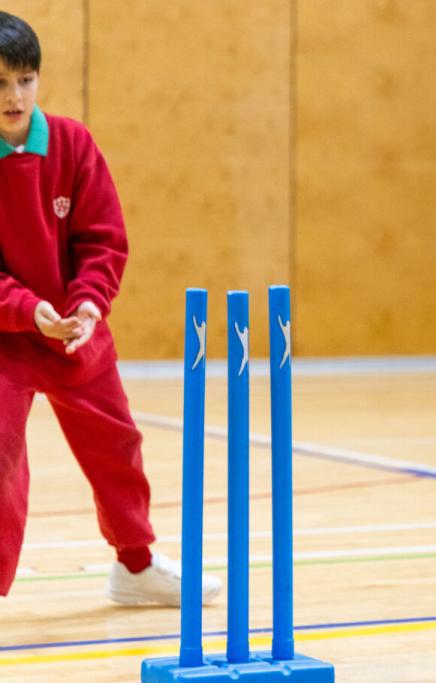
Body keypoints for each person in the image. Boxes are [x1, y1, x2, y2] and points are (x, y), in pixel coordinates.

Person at [0, 10, 220, 606]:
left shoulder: (72, 143)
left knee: (116, 445)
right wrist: (27, 309)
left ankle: (136, 566)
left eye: (24, 79)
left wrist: (89, 305)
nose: (13, 95)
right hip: (5, 336)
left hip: (74, 327)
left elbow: (103, 240)